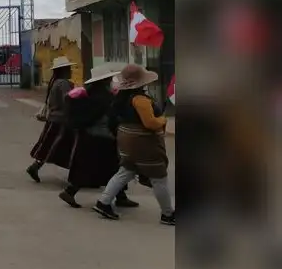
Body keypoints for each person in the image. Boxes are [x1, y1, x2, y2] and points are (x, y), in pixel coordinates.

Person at [93, 64, 175, 226]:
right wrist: (163, 120)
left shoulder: (121, 98)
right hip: (143, 142)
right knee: (159, 177)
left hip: (126, 139)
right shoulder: (140, 99)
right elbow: (150, 123)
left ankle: (103, 202)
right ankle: (168, 214)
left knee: (125, 171)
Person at [59, 63, 138, 209]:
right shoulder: (103, 96)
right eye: (108, 78)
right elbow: (109, 116)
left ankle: (121, 196)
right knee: (108, 167)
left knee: (103, 167)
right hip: (101, 137)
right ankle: (70, 191)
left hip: (91, 135)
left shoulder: (92, 93)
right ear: (104, 80)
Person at [27, 56, 77, 183]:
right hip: (62, 120)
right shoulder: (64, 84)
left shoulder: (54, 82)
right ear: (64, 70)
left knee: (49, 145)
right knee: (65, 146)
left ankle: (35, 166)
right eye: (69, 68)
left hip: (54, 118)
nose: (71, 70)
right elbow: (68, 101)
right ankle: (76, 175)